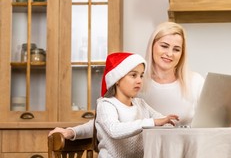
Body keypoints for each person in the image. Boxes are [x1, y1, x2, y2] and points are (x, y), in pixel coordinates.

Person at [49, 21, 204, 139]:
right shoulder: (134, 83)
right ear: (152, 46)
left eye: (176, 49)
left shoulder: (195, 82)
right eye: (164, 46)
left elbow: (210, 124)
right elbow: (106, 121)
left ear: (182, 53)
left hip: (185, 155)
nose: (169, 53)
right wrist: (71, 131)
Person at [94, 52, 179, 158]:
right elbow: (114, 130)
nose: (139, 80)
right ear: (117, 79)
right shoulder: (106, 105)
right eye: (133, 75)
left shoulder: (141, 104)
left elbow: (162, 120)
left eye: (141, 76)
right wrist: (153, 122)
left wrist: (171, 123)